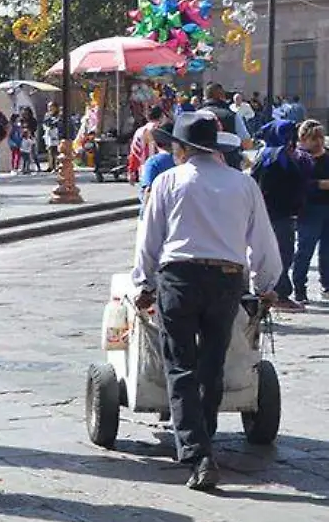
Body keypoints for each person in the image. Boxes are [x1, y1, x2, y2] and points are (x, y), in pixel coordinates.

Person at [133, 110, 284, 490]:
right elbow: (263, 242)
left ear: (181, 148)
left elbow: (149, 239)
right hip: (226, 279)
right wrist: (267, 283)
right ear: (214, 148)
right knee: (212, 361)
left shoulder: (168, 181)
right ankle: (206, 437)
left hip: (180, 277)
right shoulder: (243, 184)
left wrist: (143, 282)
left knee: (180, 365)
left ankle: (198, 451)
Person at [252, 118, 313, 311]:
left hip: (277, 212)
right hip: (277, 213)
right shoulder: (275, 157)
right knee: (282, 254)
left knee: (280, 253)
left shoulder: (270, 155)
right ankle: (279, 295)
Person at [293, 120, 328, 305]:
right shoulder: (300, 158)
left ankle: (327, 285)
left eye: (320, 137)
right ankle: (299, 288)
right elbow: (297, 184)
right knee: (305, 251)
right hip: (310, 209)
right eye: (313, 138)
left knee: (327, 251)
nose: (318, 142)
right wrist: (319, 185)